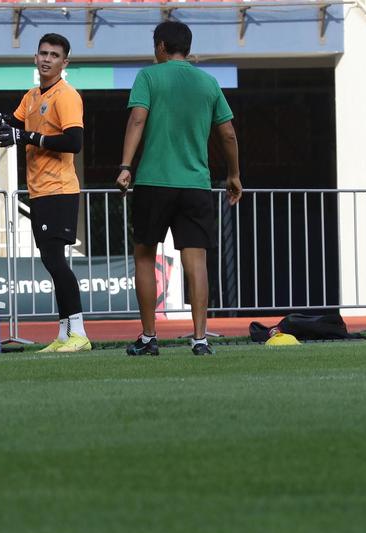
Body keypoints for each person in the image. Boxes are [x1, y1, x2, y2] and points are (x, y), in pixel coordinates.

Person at [116, 20, 242, 357]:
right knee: (196, 261)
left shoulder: (149, 76)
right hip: (195, 184)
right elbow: (228, 133)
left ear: (160, 47)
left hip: (154, 181)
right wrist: (234, 175)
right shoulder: (208, 82)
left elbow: (137, 119)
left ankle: (148, 338)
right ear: (186, 47)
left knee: (144, 257)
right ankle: (200, 340)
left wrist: (126, 165)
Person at [0, 33, 90, 353]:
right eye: (43, 53)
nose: (47, 59)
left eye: (54, 55)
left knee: (56, 261)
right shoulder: (32, 96)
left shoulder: (66, 96)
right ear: (35, 57)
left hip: (59, 189)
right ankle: (63, 335)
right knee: (50, 260)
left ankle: (80, 334)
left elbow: (73, 142)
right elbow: (13, 125)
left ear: (64, 63)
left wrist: (28, 136)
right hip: (40, 190)